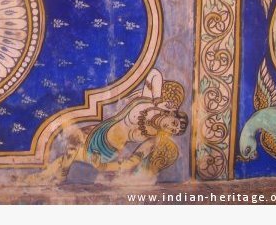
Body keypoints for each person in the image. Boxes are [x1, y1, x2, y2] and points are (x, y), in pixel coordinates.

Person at [26, 68, 188, 184]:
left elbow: (131, 162)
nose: (170, 128)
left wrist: (103, 166)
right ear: (171, 114)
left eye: (173, 131)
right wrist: (158, 101)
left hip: (105, 151)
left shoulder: (152, 139)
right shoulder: (149, 102)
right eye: (174, 123)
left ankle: (59, 176)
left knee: (69, 154)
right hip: (99, 130)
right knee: (71, 144)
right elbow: (154, 73)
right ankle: (47, 177)